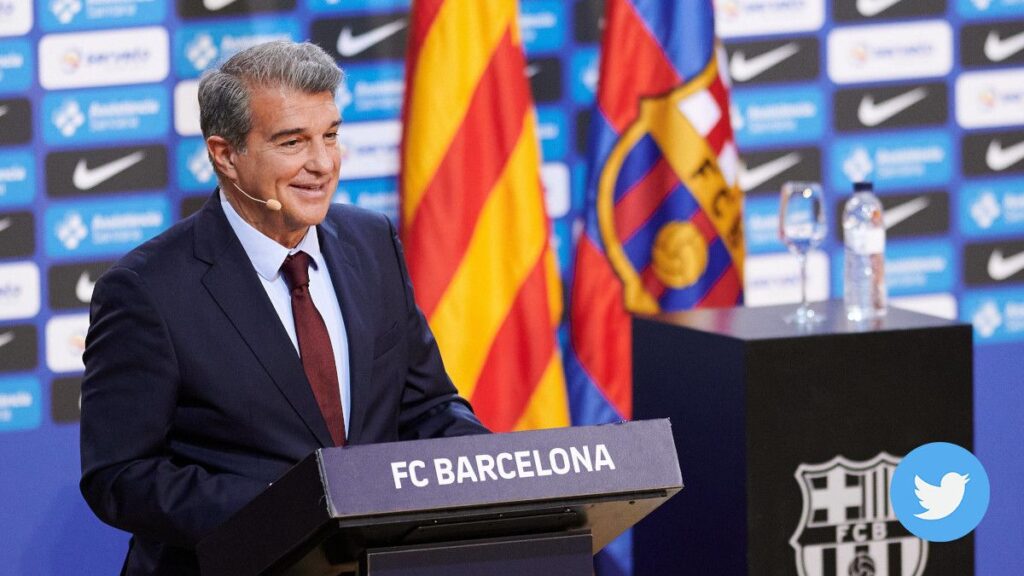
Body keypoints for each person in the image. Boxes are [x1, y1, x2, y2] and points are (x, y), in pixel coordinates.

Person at [79, 40, 488, 575]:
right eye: (292, 142)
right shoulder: (147, 290)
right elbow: (120, 475)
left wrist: (497, 475)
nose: (322, 164)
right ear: (226, 155)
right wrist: (294, 511)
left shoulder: (372, 242)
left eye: (330, 136)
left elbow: (426, 408)